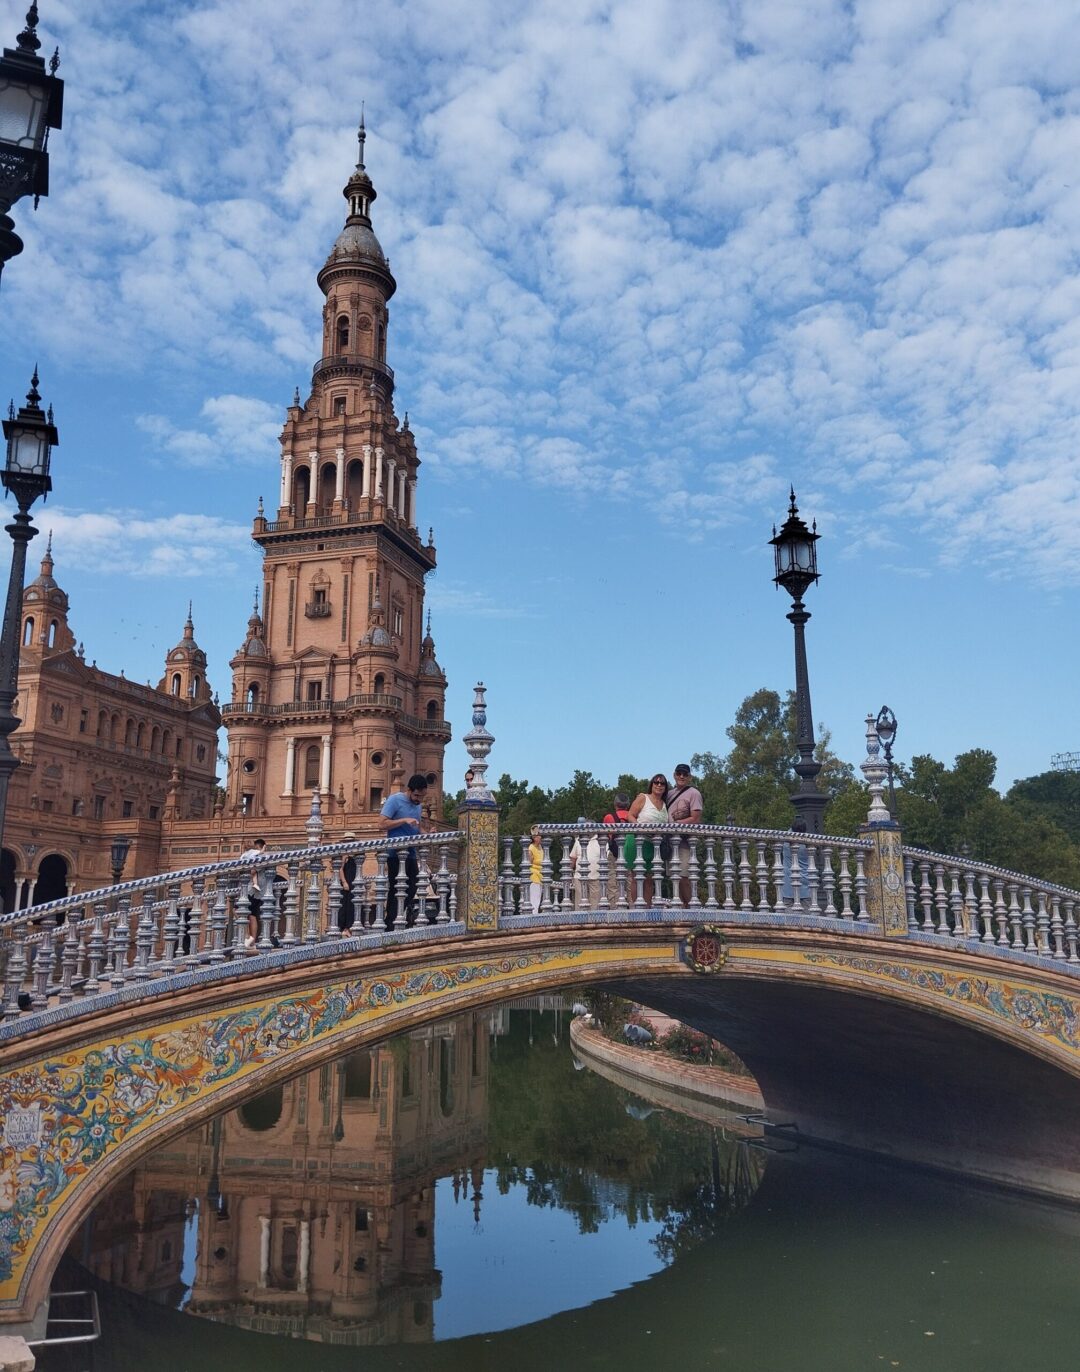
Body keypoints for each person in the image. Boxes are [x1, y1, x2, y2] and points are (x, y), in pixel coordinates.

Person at [379, 774, 428, 926]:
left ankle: (398, 915)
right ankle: (390, 922)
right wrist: (403, 820)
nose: (419, 799)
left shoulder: (418, 805)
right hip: (395, 853)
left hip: (411, 853)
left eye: (422, 796)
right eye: (416, 795)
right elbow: (381, 823)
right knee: (396, 888)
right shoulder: (394, 800)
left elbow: (417, 827)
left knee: (413, 885)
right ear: (409, 790)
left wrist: (427, 833)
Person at [626, 775, 670, 906]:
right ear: (651, 784)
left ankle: (648, 908)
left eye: (662, 783)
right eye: (656, 782)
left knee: (650, 878)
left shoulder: (664, 804)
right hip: (637, 841)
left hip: (653, 845)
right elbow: (630, 815)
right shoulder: (643, 798)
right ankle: (637, 908)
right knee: (636, 877)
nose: (659, 785)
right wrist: (642, 829)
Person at [666, 763, 704, 906]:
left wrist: (675, 825)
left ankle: (691, 909)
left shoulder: (694, 793)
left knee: (685, 877)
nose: (681, 776)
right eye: (679, 773)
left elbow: (696, 818)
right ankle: (681, 908)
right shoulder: (669, 794)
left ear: (689, 777)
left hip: (684, 842)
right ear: (674, 775)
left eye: (685, 774)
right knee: (674, 878)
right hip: (670, 842)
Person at [239, 838, 274, 948]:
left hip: (252, 890)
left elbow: (253, 870)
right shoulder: (262, 855)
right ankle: (252, 941)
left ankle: (248, 936)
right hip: (260, 890)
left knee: (239, 911)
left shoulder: (256, 856)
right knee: (252, 915)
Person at [603, 793, 632, 903]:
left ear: (615, 804)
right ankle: (634, 908)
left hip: (614, 854)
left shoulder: (609, 817)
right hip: (630, 853)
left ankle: (615, 908)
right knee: (631, 882)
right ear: (628, 805)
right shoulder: (632, 817)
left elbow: (606, 836)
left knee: (612, 882)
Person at [569, 818, 604, 908]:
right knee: (580, 904)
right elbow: (573, 858)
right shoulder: (578, 841)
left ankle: (594, 921)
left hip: (596, 877)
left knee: (595, 904)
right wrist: (568, 874)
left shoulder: (601, 841)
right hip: (580, 877)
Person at [527, 825, 543, 915]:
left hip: (541, 875)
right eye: (538, 835)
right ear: (534, 837)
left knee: (539, 899)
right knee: (534, 900)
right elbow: (529, 863)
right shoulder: (531, 848)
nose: (540, 837)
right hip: (534, 876)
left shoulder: (541, 847)